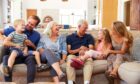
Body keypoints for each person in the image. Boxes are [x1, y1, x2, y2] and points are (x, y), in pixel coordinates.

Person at [0, 15, 41, 83]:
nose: (29, 25)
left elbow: (37, 49)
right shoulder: (15, 29)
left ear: (35, 26)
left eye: (32, 24)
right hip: (14, 54)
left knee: (31, 59)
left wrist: (32, 45)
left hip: (26, 54)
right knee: (5, 57)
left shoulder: (37, 35)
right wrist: (4, 39)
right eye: (28, 22)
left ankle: (30, 82)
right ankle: (8, 82)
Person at [66, 19, 95, 84]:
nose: (86, 30)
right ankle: (71, 82)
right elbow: (69, 51)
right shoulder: (69, 37)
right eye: (84, 28)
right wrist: (79, 49)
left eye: (86, 28)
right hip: (74, 55)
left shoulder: (89, 37)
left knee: (89, 59)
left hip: (85, 55)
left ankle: (86, 82)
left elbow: (91, 49)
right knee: (70, 58)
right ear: (79, 26)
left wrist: (84, 49)